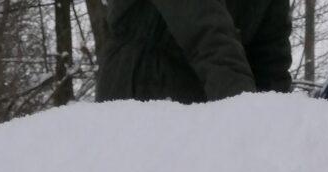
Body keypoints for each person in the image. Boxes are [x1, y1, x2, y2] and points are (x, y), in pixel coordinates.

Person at [95, 0, 292, 104]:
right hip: (143, 83)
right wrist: (243, 110)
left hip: (210, 94)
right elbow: (204, 27)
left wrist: (275, 124)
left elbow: (271, 57)